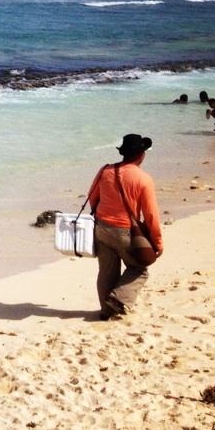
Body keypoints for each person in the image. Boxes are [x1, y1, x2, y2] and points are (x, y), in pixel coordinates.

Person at [84, 134, 164, 320]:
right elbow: (151, 215)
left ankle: (106, 310)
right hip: (125, 231)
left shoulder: (105, 171)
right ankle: (119, 299)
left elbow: (92, 197)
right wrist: (157, 242)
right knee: (139, 270)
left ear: (123, 153)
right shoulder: (143, 179)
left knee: (107, 271)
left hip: (101, 228)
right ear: (141, 155)